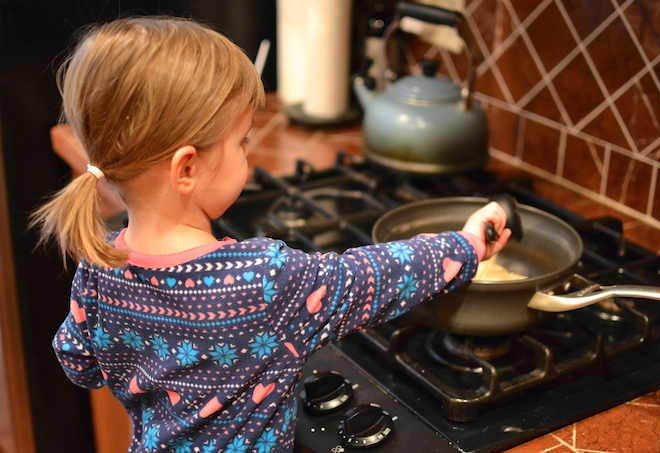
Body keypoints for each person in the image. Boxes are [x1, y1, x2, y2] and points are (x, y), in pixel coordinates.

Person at [32, 17, 511, 453]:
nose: (249, 154)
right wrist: (467, 245)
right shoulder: (264, 280)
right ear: (186, 168)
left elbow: (79, 363)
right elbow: (376, 277)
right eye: (241, 141)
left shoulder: (98, 270)